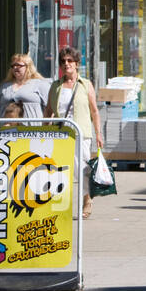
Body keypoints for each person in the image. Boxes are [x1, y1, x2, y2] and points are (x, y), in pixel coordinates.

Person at [45, 47, 103, 219]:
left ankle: (87, 200)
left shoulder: (85, 84)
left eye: (70, 61)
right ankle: (62, 204)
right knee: (59, 170)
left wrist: (98, 134)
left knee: (83, 169)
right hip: (60, 134)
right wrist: (44, 129)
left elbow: (94, 111)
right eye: (63, 61)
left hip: (81, 133)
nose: (66, 64)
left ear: (77, 64)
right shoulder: (56, 86)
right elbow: (49, 110)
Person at [0, 53, 51, 118]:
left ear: (28, 67)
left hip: (32, 127)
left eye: (18, 65)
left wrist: (47, 126)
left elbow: (49, 109)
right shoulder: (4, 87)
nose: (15, 67)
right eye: (13, 66)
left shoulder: (40, 84)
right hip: (7, 127)